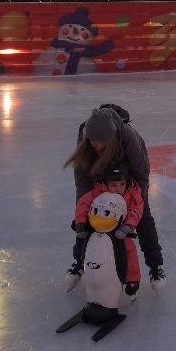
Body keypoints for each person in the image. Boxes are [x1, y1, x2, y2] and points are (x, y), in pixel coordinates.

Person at [64, 104, 166, 291]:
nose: (96, 145)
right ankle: (79, 264)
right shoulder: (86, 140)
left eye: (101, 141)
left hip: (131, 175)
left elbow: (141, 175)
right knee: (90, 215)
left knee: (142, 216)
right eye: (93, 141)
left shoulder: (128, 138)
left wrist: (136, 202)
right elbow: (83, 182)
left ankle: (155, 267)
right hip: (102, 174)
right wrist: (82, 210)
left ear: (110, 138)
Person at [69, 166, 143, 295]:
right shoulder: (99, 191)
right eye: (113, 185)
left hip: (121, 230)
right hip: (99, 228)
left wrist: (128, 226)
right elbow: (83, 203)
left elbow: (136, 209)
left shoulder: (132, 193)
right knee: (90, 246)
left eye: (122, 184)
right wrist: (80, 223)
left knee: (129, 249)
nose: (118, 189)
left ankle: (132, 279)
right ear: (106, 184)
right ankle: (82, 266)